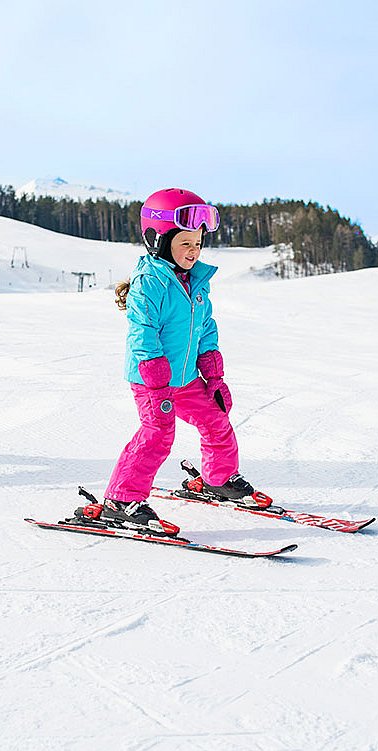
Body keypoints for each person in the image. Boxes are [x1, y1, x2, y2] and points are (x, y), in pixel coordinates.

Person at [102, 187, 271, 531]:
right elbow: (142, 333)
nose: (193, 252)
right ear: (159, 241)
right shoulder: (149, 283)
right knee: (158, 433)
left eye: (197, 244)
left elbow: (206, 327)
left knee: (216, 420)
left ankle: (219, 479)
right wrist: (155, 374)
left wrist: (214, 375)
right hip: (152, 381)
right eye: (185, 244)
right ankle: (121, 498)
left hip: (187, 379)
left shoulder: (196, 282)